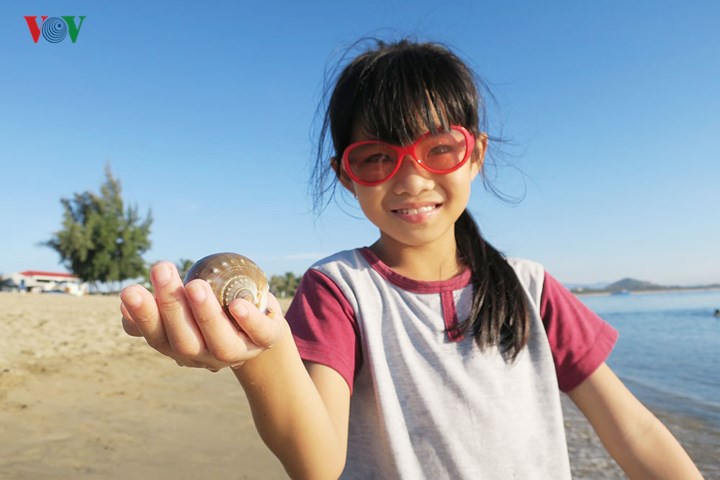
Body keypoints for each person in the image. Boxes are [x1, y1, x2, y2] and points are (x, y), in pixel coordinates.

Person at [120, 39, 703, 479]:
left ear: (475, 154)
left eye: (439, 148)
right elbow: (316, 462)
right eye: (377, 157)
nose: (412, 178)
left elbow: (634, 431)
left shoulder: (531, 287)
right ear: (346, 175)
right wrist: (261, 353)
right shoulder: (340, 289)